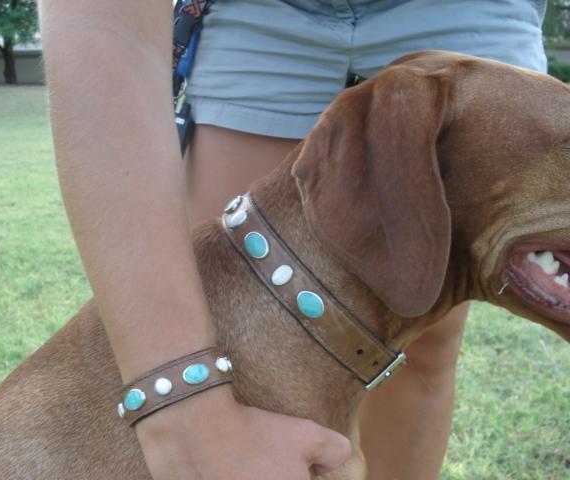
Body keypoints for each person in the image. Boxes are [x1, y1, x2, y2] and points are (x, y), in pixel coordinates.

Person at [38, 0, 548, 478]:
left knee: (421, 337)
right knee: (228, 318)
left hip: (463, 11)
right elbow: (106, 25)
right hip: (264, 16)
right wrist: (181, 408)